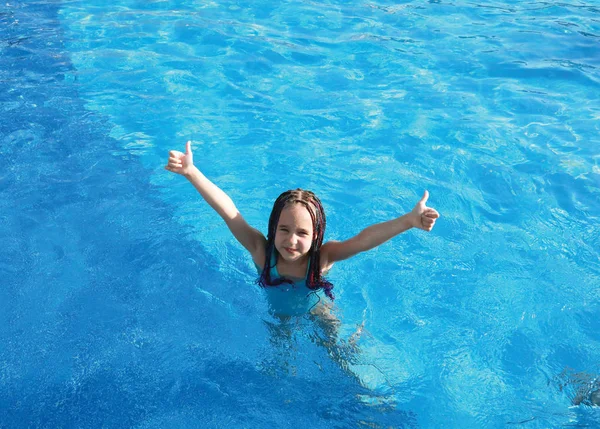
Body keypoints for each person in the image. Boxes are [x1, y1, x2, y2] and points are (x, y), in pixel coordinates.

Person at [165, 141, 440, 317]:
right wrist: (192, 173)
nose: (291, 241)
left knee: (336, 345)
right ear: (273, 227)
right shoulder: (262, 251)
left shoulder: (322, 258)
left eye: (302, 233)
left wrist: (407, 221)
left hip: (316, 308)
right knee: (279, 354)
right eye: (284, 229)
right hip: (278, 310)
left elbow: (363, 240)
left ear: (316, 236)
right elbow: (229, 211)